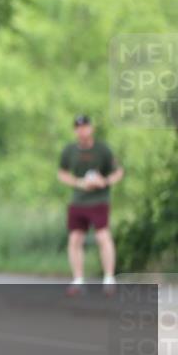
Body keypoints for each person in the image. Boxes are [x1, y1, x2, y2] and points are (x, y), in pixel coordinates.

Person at [57, 115, 124, 296]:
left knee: (103, 236)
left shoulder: (102, 150)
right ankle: (78, 279)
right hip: (78, 200)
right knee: (75, 240)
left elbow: (118, 172)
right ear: (75, 130)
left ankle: (109, 278)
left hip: (99, 201)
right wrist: (79, 183)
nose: (82, 130)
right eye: (79, 127)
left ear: (91, 128)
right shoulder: (69, 150)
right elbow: (62, 173)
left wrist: (105, 181)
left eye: (85, 126)